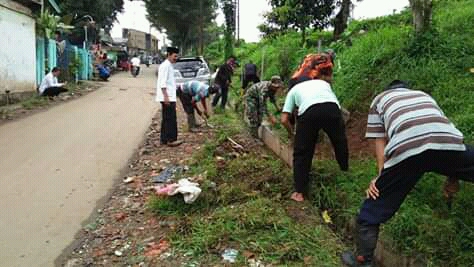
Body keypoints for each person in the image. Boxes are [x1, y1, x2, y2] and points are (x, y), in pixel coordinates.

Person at [341, 80, 474, 267]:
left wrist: (381, 176)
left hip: (407, 150)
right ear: (407, 89)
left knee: (372, 210)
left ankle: (363, 260)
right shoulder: (423, 96)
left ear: (387, 91)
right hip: (448, 142)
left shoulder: (379, 100)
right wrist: (454, 176)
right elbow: (440, 133)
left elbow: (379, 140)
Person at [281, 53, 349, 202]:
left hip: (309, 113)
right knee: (339, 141)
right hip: (332, 108)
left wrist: (292, 134)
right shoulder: (323, 83)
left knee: (302, 153)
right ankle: (345, 170)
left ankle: (299, 192)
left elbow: (284, 119)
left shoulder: (293, 90)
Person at [156, 47, 183, 147]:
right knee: (171, 118)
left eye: (177, 56)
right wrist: (166, 97)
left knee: (166, 118)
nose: (176, 58)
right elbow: (162, 83)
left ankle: (164, 139)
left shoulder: (169, 66)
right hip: (167, 96)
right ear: (169, 54)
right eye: (175, 56)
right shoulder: (165, 66)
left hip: (169, 96)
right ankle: (171, 139)